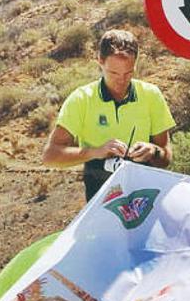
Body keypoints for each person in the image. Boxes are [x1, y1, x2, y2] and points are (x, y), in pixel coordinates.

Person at [42, 29, 176, 201]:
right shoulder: (81, 99)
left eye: (128, 73)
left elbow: (166, 157)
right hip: (102, 203)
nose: (121, 80)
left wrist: (154, 151)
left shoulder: (151, 95)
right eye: (113, 73)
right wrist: (95, 152)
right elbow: (50, 156)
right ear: (100, 61)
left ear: (136, 63)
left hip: (147, 198)